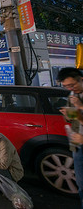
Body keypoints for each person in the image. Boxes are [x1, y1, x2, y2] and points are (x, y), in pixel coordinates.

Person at [57, 67, 83, 207]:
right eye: (66, 86)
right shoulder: (73, 95)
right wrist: (68, 115)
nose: (70, 89)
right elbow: (76, 120)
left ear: (81, 79)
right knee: (81, 183)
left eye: (72, 85)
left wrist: (79, 108)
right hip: (77, 145)